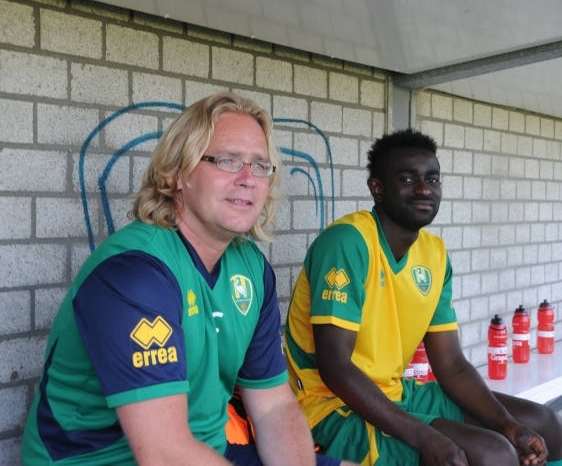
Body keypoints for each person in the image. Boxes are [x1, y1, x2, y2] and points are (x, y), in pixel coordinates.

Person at [22, 92, 352, 466]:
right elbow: (164, 455)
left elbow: (274, 406)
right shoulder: (135, 273)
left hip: (208, 451)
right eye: (228, 161)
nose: (249, 179)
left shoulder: (251, 269)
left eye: (260, 166)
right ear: (176, 174)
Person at [285, 128, 562, 466]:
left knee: (543, 425)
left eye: (432, 179)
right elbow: (336, 369)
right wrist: (424, 436)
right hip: (328, 408)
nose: (423, 189)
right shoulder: (348, 242)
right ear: (377, 188)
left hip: (395, 393)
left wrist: (508, 425)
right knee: (491, 454)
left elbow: (451, 365)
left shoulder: (434, 253)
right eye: (407, 178)